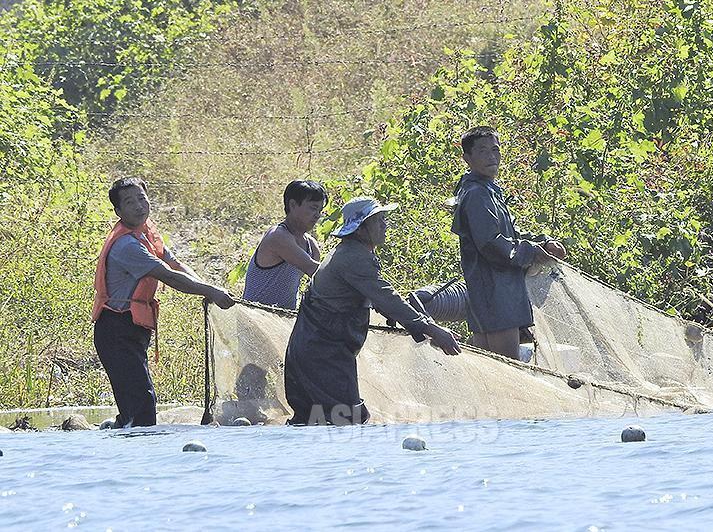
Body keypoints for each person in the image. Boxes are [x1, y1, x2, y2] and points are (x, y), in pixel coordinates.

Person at [284, 197, 461, 426]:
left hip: (313, 351)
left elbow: (377, 297)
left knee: (311, 423)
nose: (384, 226)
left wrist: (421, 323)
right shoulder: (354, 258)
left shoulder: (350, 253)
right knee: (350, 420)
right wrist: (432, 329)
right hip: (323, 355)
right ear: (361, 229)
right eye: (378, 221)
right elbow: (386, 297)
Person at [92, 177, 235, 428]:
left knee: (137, 406)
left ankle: (125, 450)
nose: (138, 206)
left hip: (132, 328)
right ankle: (133, 460)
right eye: (129, 202)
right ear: (118, 211)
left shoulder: (146, 233)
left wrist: (206, 289)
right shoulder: (126, 245)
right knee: (141, 406)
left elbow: (176, 264)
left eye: (141, 198)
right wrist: (211, 291)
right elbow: (167, 275)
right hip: (116, 329)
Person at [451, 126, 567, 361]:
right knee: (507, 370)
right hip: (495, 293)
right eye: (482, 151)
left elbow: (509, 232)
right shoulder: (476, 194)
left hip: (496, 292)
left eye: (495, 150)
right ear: (467, 158)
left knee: (492, 367)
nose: (492, 157)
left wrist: (543, 242)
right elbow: (491, 244)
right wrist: (534, 252)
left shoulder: (488, 189)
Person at [242, 180, 326, 309]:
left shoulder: (311, 245)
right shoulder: (278, 236)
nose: (317, 215)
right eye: (313, 208)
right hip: (254, 318)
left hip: (282, 321)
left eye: (320, 210)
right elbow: (313, 270)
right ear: (292, 205)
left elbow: (319, 284)